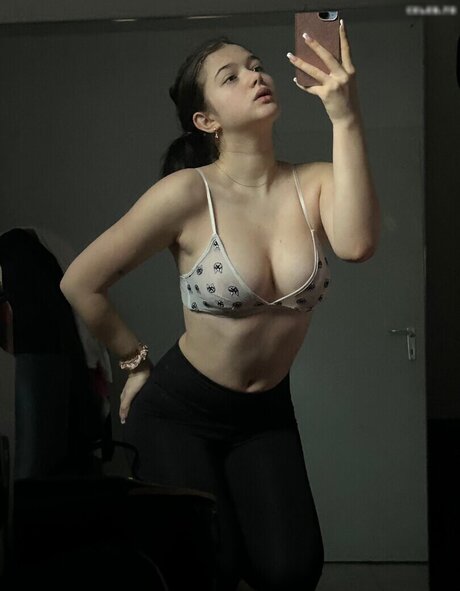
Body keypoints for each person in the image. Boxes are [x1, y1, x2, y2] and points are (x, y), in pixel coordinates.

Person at [60, 25, 380, 591]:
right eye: (231, 76)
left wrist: (345, 116)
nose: (255, 76)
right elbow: (80, 282)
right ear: (206, 120)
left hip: (266, 413)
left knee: (291, 570)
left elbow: (356, 245)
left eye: (256, 65)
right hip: (178, 413)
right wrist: (134, 361)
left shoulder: (315, 183)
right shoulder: (187, 193)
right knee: (210, 570)